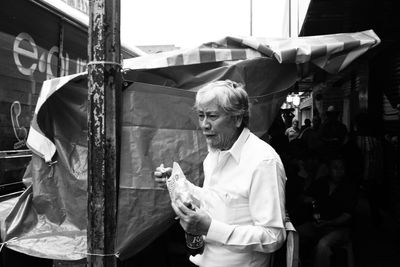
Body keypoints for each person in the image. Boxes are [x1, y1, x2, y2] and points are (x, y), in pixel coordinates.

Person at [155, 80, 287, 267]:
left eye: (212, 116)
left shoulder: (263, 162)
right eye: (201, 116)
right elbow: (215, 200)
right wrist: (176, 184)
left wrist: (210, 228)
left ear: (237, 119)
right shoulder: (215, 152)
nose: (204, 125)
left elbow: (273, 237)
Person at [296, 155, 358, 267]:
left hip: (340, 230)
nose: (339, 171)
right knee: (295, 234)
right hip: (318, 225)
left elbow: (347, 215)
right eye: (335, 168)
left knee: (323, 245)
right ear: (329, 169)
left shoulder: (349, 187)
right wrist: (307, 199)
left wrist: (329, 223)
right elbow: (303, 196)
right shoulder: (321, 182)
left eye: (341, 168)